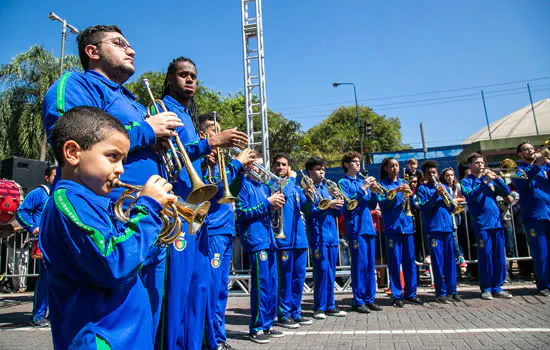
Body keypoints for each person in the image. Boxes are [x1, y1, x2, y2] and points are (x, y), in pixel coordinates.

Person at [42, 25, 183, 337]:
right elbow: (73, 134)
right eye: (120, 44)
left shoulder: (131, 100)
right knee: (110, 321)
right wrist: (147, 130)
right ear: (92, 52)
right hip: (109, 219)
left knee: (144, 320)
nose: (131, 50)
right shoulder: (76, 83)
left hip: (147, 220)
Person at [40, 106, 174, 349]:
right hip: (103, 338)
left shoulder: (92, 201)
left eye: (122, 159)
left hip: (124, 334)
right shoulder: (67, 202)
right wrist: (148, 209)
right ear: (72, 152)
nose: (121, 168)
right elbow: (114, 262)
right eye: (112, 156)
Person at [158, 57, 248, 350]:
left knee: (199, 290)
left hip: (197, 214)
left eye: (193, 76)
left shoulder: (186, 114)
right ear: (170, 78)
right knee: (177, 293)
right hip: (177, 211)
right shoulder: (164, 110)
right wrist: (209, 144)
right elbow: (170, 160)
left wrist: (206, 155)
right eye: (183, 74)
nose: (189, 80)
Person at [198, 113, 254, 350]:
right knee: (212, 289)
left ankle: (218, 338)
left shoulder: (221, 160)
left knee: (221, 289)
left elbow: (232, 190)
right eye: (215, 130)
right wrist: (237, 163)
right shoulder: (203, 160)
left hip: (226, 230)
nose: (222, 135)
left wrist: (242, 169)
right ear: (203, 135)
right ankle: (211, 341)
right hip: (212, 230)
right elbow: (213, 188)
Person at [236, 151, 285, 344]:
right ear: (247, 166)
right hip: (256, 240)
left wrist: (274, 206)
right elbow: (242, 212)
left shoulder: (264, 187)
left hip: (269, 239)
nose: (260, 169)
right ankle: (256, 327)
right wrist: (267, 203)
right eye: (256, 165)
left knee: (272, 284)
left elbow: (268, 212)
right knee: (261, 285)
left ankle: (267, 324)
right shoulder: (242, 185)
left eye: (261, 166)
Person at [461, 153, 513, 300]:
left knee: (499, 257)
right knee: (486, 256)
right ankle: (486, 288)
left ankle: (498, 286)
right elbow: (471, 197)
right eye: (477, 163)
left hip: (496, 222)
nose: (481, 165)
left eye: (482, 162)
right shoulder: (466, 181)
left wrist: (497, 179)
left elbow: (506, 193)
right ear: (470, 165)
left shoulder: (490, 180)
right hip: (482, 224)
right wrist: (484, 182)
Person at [271, 153, 313, 329]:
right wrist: (292, 180)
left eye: (284, 165)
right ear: (273, 168)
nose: (281, 167)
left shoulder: (294, 187)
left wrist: (310, 195)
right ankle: (284, 314)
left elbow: (307, 209)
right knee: (286, 278)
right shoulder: (272, 185)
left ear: (289, 167)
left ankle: (296, 312)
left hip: (300, 239)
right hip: (284, 240)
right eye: (278, 165)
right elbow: (284, 196)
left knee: (298, 278)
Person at [302, 156, 347, 319]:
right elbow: (309, 211)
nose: (321, 172)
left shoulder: (328, 189)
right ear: (309, 172)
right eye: (318, 169)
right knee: (321, 271)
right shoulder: (308, 190)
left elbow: (339, 212)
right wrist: (329, 204)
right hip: (317, 235)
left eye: (323, 169)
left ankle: (330, 305)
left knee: (331, 271)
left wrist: (339, 200)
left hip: (331, 236)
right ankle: (319, 306)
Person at [337, 152, 382, 313]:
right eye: (355, 162)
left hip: (368, 227)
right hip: (356, 228)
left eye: (359, 162)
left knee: (370, 265)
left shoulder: (362, 181)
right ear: (347, 164)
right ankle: (359, 300)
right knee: (359, 265)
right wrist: (363, 188)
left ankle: (370, 298)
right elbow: (350, 203)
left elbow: (371, 204)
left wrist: (374, 191)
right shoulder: (343, 182)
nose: (358, 165)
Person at [378, 157, 424, 307]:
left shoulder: (404, 182)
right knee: (394, 262)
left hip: (407, 226)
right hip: (393, 227)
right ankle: (397, 294)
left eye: (397, 166)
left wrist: (410, 195)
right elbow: (384, 205)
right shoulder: (383, 185)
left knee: (410, 261)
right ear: (386, 168)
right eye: (391, 166)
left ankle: (411, 293)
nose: (395, 169)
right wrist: (397, 191)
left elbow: (411, 205)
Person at [15, 165, 56, 327]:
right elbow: (21, 211)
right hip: (44, 243)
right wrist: (33, 227)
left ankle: (55, 313)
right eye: (54, 175)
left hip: (58, 243)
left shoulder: (61, 194)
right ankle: (38, 315)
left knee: (59, 280)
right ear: (47, 178)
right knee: (45, 279)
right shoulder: (39, 193)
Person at [417, 160, 462, 304]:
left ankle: (452, 290)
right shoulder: (422, 189)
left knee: (451, 261)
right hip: (434, 229)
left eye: (434, 173)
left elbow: (451, 208)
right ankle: (441, 292)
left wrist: (450, 201)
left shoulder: (445, 188)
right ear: (424, 175)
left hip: (447, 227)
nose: (432, 175)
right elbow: (423, 208)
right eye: (429, 173)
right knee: (438, 262)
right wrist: (436, 195)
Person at [512, 142, 550, 296]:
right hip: (534, 216)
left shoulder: (544, 166)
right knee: (540, 252)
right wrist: (536, 165)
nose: (531, 150)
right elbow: (521, 183)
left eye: (532, 148)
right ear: (520, 154)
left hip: (548, 212)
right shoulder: (517, 169)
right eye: (526, 149)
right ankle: (543, 285)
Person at [440, 167, 468, 273]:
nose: (449, 177)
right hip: (448, 215)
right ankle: (459, 255)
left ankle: (459, 256)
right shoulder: (442, 187)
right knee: (453, 235)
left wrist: (455, 199)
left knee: (457, 235)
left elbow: (464, 198)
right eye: (447, 175)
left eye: (451, 175)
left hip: (457, 214)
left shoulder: (457, 186)